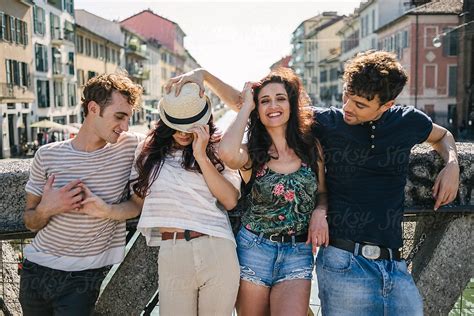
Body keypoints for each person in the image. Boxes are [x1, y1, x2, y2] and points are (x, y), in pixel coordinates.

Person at [167, 50, 459, 315]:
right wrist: (205, 76)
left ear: (386, 105)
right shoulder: (329, 122)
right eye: (346, 95)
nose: (347, 107)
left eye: (359, 104)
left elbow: (443, 136)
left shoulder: (408, 121)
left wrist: (452, 164)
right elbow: (261, 107)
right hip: (339, 259)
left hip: (394, 266)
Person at [170, 69, 327, 316]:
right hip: (254, 249)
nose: (273, 105)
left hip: (298, 252)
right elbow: (226, 153)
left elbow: (322, 193)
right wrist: (246, 107)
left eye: (280, 98)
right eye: (265, 101)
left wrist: (320, 211)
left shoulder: (310, 147)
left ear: (291, 104)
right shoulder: (252, 153)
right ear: (257, 109)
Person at [20, 73, 144, 316]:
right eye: (119, 116)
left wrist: (105, 210)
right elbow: (30, 221)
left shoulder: (131, 146)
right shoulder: (46, 155)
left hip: (83, 278)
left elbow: (136, 205)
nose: (125, 126)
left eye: (129, 117)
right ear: (93, 108)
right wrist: (48, 207)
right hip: (35, 272)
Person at [131, 82, 241, 315]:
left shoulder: (217, 148)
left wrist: (201, 156)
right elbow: (135, 202)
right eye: (176, 125)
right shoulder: (146, 151)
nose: (182, 132)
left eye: (190, 125)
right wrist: (101, 209)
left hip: (217, 246)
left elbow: (230, 200)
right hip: (172, 251)